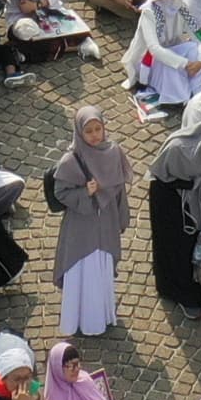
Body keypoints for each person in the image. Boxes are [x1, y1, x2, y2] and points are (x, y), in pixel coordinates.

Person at [46, 106, 133, 339]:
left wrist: (122, 217)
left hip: (105, 223)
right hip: (81, 227)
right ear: (79, 132)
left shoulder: (113, 152)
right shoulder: (71, 160)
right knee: (82, 270)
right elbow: (61, 192)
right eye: (89, 131)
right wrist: (85, 192)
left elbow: (119, 190)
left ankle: (101, 316)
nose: (95, 135)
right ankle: (80, 319)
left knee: (100, 270)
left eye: (98, 129)